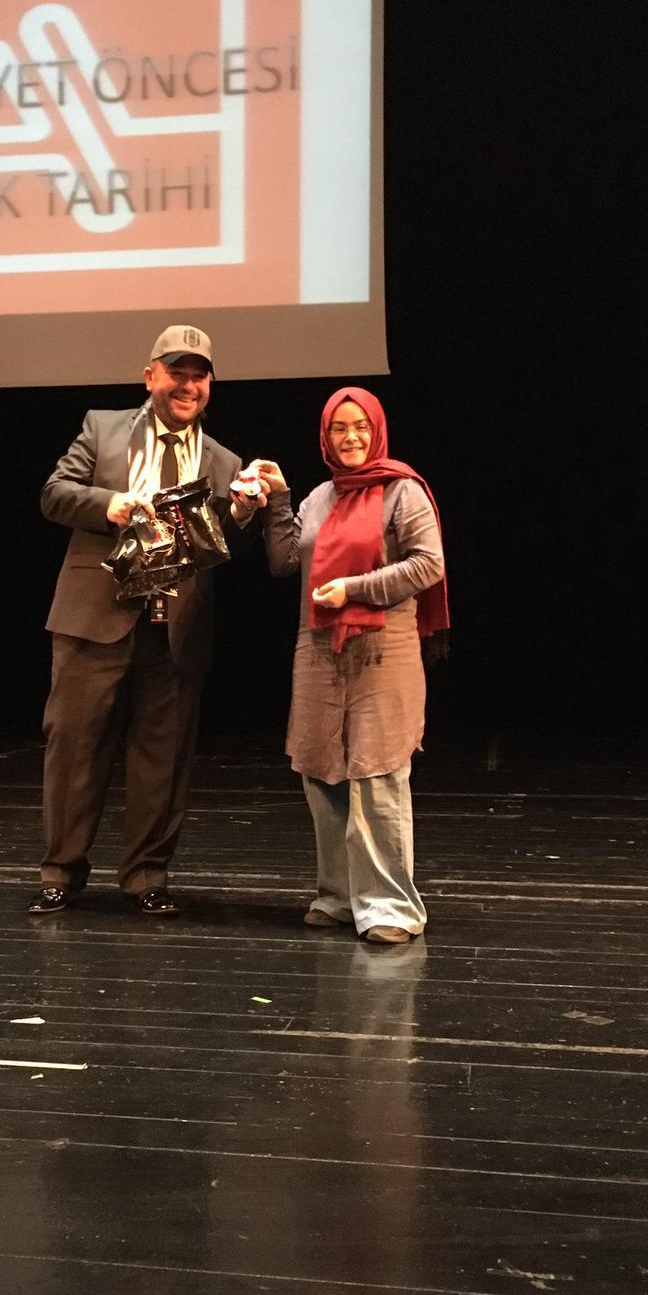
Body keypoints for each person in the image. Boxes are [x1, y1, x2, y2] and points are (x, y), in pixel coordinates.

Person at [29, 325, 264, 917]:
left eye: (199, 375)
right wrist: (106, 504)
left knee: (164, 758)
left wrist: (241, 514)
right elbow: (54, 493)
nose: (188, 385)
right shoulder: (103, 428)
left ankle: (146, 876)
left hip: (174, 626)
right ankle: (60, 871)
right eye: (177, 372)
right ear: (150, 376)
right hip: (96, 614)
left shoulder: (224, 461)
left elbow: (221, 544)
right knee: (74, 748)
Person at [259, 388, 448, 944]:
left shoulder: (402, 491)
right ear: (326, 436)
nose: (351, 438)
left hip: (384, 650)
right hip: (319, 649)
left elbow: (429, 565)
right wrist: (277, 500)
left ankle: (390, 908)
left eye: (361, 426)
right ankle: (340, 896)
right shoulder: (320, 497)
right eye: (339, 428)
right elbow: (284, 561)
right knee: (323, 773)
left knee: (377, 773)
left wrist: (355, 590)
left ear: (377, 430)